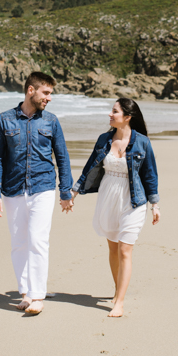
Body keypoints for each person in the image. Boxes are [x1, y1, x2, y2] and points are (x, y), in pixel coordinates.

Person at [0, 72, 73, 316]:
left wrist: (65, 191)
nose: (49, 98)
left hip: (43, 187)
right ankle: (25, 293)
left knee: (38, 240)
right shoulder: (4, 120)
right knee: (18, 243)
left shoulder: (51, 121)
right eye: (46, 93)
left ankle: (37, 295)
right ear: (30, 91)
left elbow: (62, 157)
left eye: (50, 94)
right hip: (12, 190)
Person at [71, 98, 160, 317]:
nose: (110, 115)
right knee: (112, 248)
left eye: (114, 112)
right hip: (109, 197)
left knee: (124, 249)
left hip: (134, 199)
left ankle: (119, 302)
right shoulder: (104, 139)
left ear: (127, 117)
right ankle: (117, 289)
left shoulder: (142, 143)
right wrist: (73, 192)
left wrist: (155, 204)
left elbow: (150, 174)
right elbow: (90, 165)